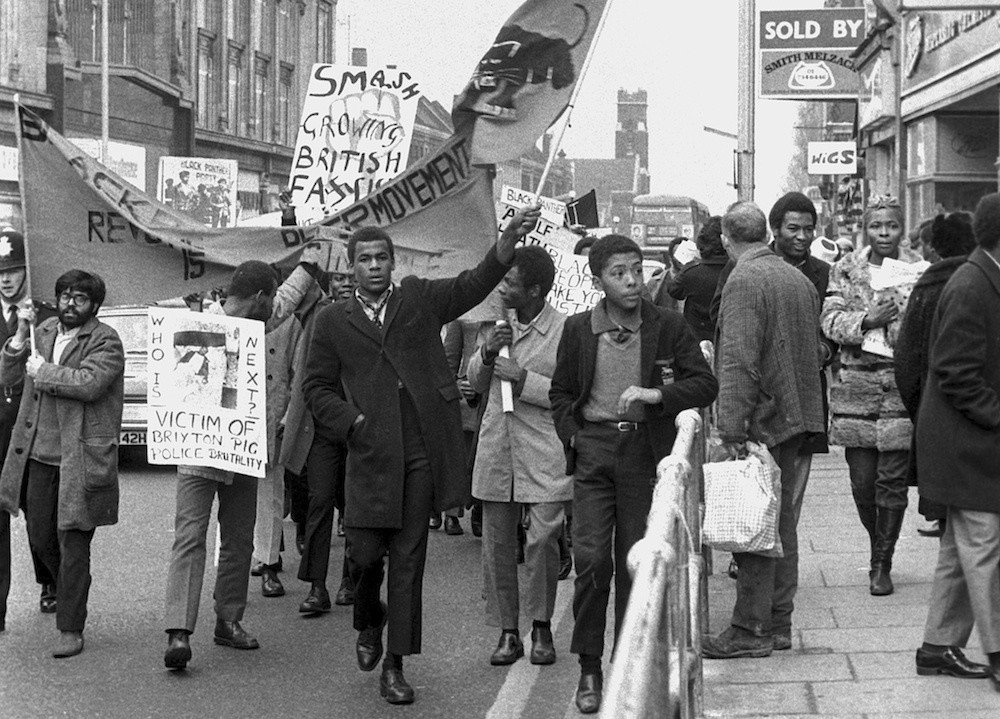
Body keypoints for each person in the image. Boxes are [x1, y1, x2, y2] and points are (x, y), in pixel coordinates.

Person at [302, 207, 539, 705]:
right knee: (365, 560)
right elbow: (317, 389)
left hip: (419, 453)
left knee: (409, 560)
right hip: (367, 456)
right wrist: (353, 423)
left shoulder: (417, 299)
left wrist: (506, 243)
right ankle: (369, 619)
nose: (374, 266)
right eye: (364, 259)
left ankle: (395, 664)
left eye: (382, 257)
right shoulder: (331, 322)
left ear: (393, 262)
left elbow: (472, 285)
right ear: (351, 267)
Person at [549, 234, 717, 714]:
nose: (630, 281)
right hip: (594, 454)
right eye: (618, 273)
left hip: (643, 454)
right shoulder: (580, 329)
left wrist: (655, 396)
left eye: (636, 271)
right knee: (592, 563)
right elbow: (562, 394)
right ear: (597, 278)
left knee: (634, 564)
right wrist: (575, 437)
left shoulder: (666, 325)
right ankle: (589, 667)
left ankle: (631, 668)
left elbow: (704, 383)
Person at [162, 255, 317, 670]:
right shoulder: (202, 323)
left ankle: (228, 621)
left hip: (243, 449)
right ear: (261, 297)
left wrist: (310, 262)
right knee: (190, 537)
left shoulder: (257, 322)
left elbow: (285, 300)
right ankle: (179, 629)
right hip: (199, 452)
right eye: (272, 299)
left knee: (239, 539)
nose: (277, 309)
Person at [701, 202, 825, 660]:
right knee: (782, 525)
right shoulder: (798, 279)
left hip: (764, 421)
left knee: (755, 521)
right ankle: (777, 624)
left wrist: (730, 430)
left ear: (729, 240)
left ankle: (751, 628)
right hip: (796, 417)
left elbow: (737, 362)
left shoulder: (744, 280)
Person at [0, 269, 124, 658]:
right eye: (65, 296)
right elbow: (8, 376)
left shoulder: (106, 340)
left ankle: (71, 626)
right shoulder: (44, 330)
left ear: (95, 305)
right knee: (40, 537)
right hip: (39, 455)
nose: (71, 304)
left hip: (81, 459)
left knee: (73, 541)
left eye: (80, 298)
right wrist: (20, 338)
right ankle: (74, 585)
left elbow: (89, 383)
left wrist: (45, 372)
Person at [913, 193, 1000, 689]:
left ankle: (938, 647)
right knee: (985, 548)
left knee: (958, 550)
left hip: (966, 441)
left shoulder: (982, 277)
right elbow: (956, 371)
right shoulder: (971, 284)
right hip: (965, 446)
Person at [469, 245, 569, 667]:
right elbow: (474, 382)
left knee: (543, 537)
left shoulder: (566, 330)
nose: (502, 287)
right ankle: (508, 631)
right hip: (498, 449)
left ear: (535, 290)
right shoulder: (493, 325)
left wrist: (524, 379)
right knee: (496, 544)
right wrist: (488, 353)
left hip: (544, 449)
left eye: (510, 282)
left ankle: (541, 625)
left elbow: (571, 395)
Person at [821, 195, 922, 597]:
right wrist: (867, 320)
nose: (884, 233)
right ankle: (876, 540)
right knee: (863, 484)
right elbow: (829, 319)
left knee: (892, 482)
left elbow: (928, 323)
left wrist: (900, 319)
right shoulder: (845, 269)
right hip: (857, 392)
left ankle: (883, 561)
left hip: (901, 389)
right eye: (877, 226)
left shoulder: (916, 268)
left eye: (892, 226)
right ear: (866, 227)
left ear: (901, 227)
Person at [894, 213, 976, 539]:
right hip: (983, 424)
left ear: (935, 247)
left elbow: (906, 364)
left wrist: (922, 411)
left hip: (937, 419)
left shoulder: (926, 288)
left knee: (951, 533)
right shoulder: (982, 282)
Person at [0, 228, 58, 631]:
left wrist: (32, 330)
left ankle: (51, 579)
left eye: (14, 269)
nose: (5, 278)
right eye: (0, 271)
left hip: (31, 427)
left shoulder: (47, 312)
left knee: (40, 521)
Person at [665, 216, 727, 342]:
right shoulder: (736, 270)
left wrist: (688, 265)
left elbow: (673, 290)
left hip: (696, 339)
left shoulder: (692, 273)